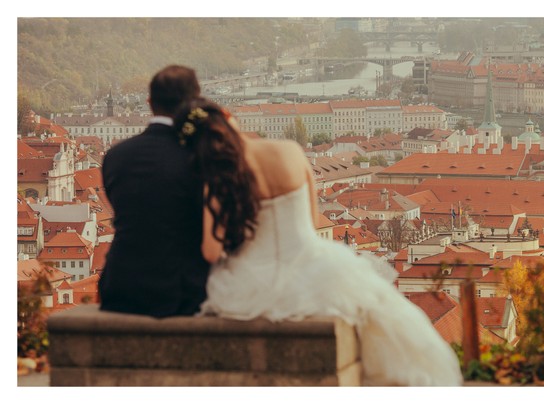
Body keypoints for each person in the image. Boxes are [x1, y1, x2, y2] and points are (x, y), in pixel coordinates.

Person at [172, 97, 463, 386]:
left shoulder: (220, 176)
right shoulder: (289, 151)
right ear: (228, 118)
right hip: (314, 264)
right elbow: (313, 219)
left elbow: (211, 250)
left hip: (252, 276)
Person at [98, 65, 210, 318]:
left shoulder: (116, 156)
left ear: (149, 102)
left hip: (120, 287)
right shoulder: (199, 155)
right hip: (184, 291)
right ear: (194, 103)